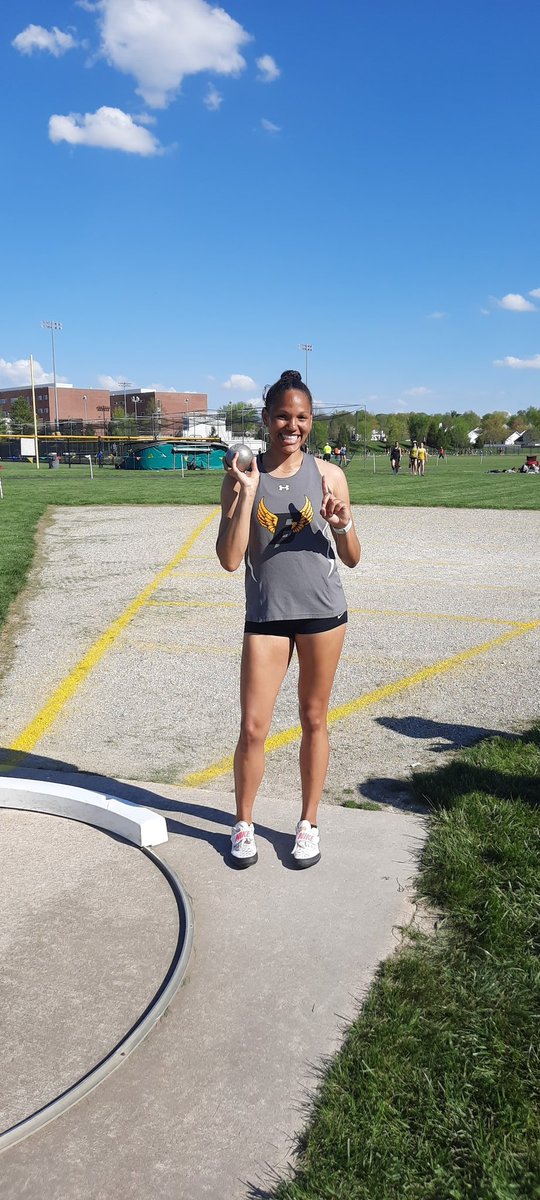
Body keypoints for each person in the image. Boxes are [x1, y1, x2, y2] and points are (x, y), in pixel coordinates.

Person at [216, 369, 361, 870]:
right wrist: (246, 495)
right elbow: (231, 559)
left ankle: (308, 823)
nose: (291, 425)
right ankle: (243, 822)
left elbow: (353, 557)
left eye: (301, 417)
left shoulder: (329, 475)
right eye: (282, 415)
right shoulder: (241, 474)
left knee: (314, 718)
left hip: (324, 614)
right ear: (266, 418)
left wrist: (342, 524)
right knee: (253, 727)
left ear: (311, 421)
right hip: (267, 617)